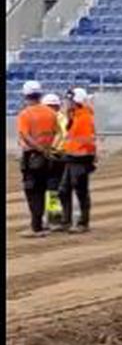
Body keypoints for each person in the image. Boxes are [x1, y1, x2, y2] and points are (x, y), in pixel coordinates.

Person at [15, 80, 58, 238]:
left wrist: (38, 148)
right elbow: (55, 132)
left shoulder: (25, 114)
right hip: (49, 156)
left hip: (33, 156)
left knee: (33, 192)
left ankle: (36, 227)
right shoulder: (51, 113)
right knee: (47, 189)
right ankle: (53, 221)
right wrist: (47, 148)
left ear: (26, 95)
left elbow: (25, 135)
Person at [60, 86, 98, 232]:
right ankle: (66, 220)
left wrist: (88, 158)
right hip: (71, 157)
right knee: (64, 190)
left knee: (80, 190)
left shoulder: (84, 117)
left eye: (69, 100)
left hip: (80, 158)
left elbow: (87, 140)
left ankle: (83, 222)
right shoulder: (75, 116)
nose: (66, 103)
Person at [42, 92, 68, 229]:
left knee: (50, 188)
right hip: (60, 156)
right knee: (56, 188)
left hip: (50, 156)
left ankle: (53, 218)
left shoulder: (45, 119)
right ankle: (58, 217)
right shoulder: (62, 118)